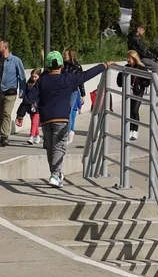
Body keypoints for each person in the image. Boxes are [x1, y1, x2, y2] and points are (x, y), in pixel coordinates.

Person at [29, 52, 109, 188]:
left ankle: (56, 174)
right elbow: (86, 75)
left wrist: (20, 114)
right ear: (61, 66)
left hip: (46, 120)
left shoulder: (42, 80)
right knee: (59, 147)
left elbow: (31, 96)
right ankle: (55, 174)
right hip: (61, 119)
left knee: (50, 147)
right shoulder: (68, 79)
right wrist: (104, 65)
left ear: (47, 67)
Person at [118, 51, 151, 141]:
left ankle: (135, 130)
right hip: (128, 92)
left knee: (134, 110)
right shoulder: (126, 67)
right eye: (127, 58)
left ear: (134, 58)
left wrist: (140, 84)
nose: (128, 60)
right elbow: (119, 82)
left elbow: (148, 81)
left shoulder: (141, 68)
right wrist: (121, 76)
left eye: (129, 58)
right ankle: (129, 130)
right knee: (128, 111)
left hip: (137, 92)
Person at [0, 41, 27, 147]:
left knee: (6, 113)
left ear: (5, 47)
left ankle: (4, 136)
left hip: (10, 92)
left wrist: (22, 91)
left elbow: (22, 76)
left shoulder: (16, 61)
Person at [62, 49, 84, 145]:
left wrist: (82, 95)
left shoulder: (77, 66)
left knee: (69, 111)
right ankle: (66, 131)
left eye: (67, 54)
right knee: (64, 111)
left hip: (73, 91)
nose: (65, 56)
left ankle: (69, 131)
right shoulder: (62, 65)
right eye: (64, 54)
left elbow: (81, 80)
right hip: (63, 90)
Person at [15, 69, 42, 146]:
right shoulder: (28, 84)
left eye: (35, 77)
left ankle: (31, 136)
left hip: (36, 105)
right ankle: (37, 135)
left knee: (34, 121)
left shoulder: (40, 84)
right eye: (32, 77)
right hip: (29, 105)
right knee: (34, 122)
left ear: (39, 76)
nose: (34, 79)